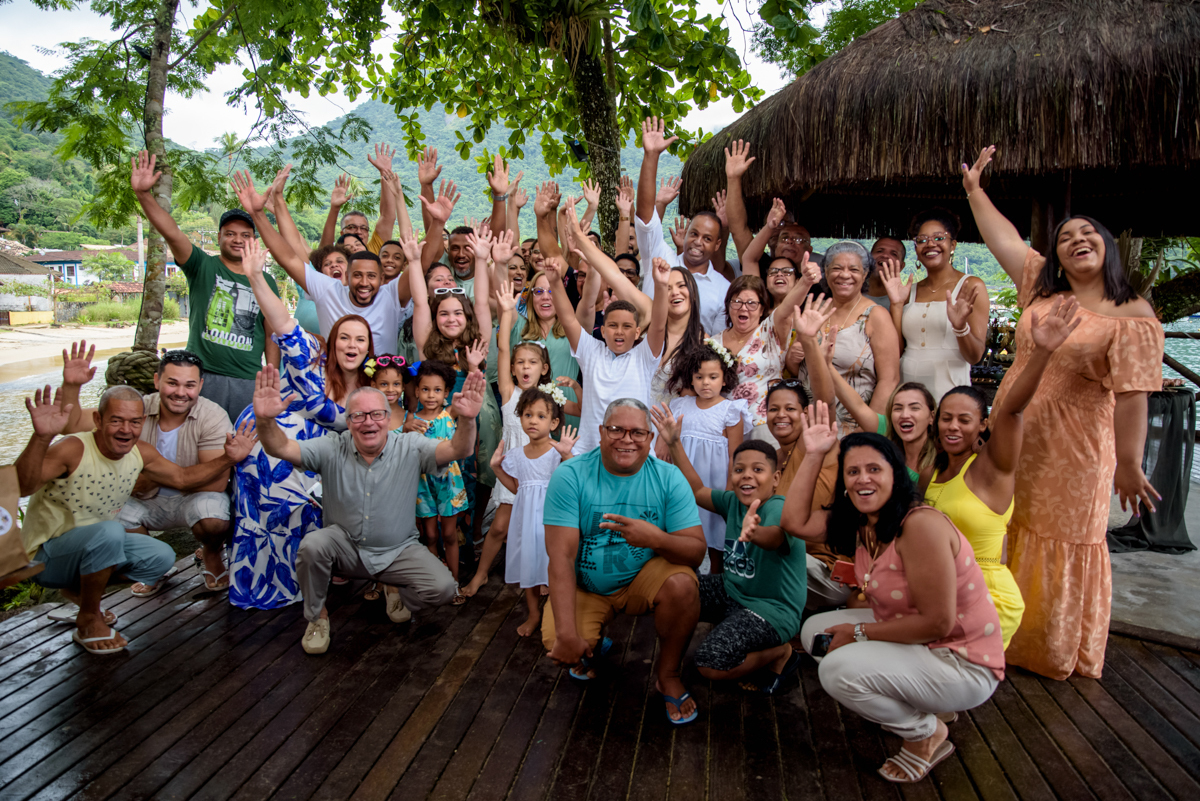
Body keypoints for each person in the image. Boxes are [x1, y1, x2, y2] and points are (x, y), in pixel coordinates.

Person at [963, 145, 1164, 679]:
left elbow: (1132, 396)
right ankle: (995, 631)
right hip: (1012, 432)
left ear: (1108, 247)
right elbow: (1001, 236)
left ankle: (1046, 648)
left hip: (1075, 450)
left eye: (1088, 234)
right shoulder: (1039, 288)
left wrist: (1129, 462)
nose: (1076, 240)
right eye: (1066, 237)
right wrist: (974, 191)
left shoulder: (1132, 315)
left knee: (1061, 536)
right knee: (1006, 523)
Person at [786, 403, 1004, 785]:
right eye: (853, 471)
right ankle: (920, 703)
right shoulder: (861, 521)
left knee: (837, 671)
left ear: (895, 476)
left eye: (874, 469)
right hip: (922, 641)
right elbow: (794, 522)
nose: (861, 479)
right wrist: (816, 454)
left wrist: (857, 634)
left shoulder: (919, 525)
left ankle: (926, 734)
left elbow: (938, 622)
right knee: (815, 632)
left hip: (962, 661)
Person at [252, 368, 485, 654]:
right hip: (345, 550)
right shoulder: (331, 447)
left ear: (388, 418)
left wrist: (468, 419)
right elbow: (280, 446)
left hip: (398, 550)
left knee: (444, 589)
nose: (368, 422)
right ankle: (317, 617)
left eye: (376, 414)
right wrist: (264, 418)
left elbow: (457, 450)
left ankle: (394, 587)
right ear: (348, 422)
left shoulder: (410, 446)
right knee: (313, 545)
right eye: (358, 416)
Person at [17, 384, 255, 653]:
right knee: (110, 532)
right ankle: (89, 618)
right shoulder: (72, 449)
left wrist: (228, 458)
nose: (125, 430)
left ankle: (77, 590)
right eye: (116, 421)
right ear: (98, 420)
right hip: (44, 556)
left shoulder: (139, 453)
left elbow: (182, 478)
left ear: (142, 422)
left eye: (133, 422)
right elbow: (24, 487)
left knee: (160, 558)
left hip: (90, 548)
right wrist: (40, 437)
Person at [927, 297, 1084, 649]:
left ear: (982, 424)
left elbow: (1012, 410)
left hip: (986, 595)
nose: (953, 426)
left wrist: (1042, 353)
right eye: (946, 417)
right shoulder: (932, 472)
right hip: (941, 593)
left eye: (964, 420)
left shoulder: (991, 467)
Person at [227, 239, 375, 610]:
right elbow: (281, 321)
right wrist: (257, 278)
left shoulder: (369, 390)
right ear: (332, 341)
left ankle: (307, 586)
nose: (351, 345)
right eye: (345, 337)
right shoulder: (311, 355)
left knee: (312, 512)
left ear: (369, 348)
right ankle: (257, 588)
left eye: (360, 339)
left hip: (313, 461)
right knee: (266, 518)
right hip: (267, 442)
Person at [542, 398, 705, 724]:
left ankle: (668, 674)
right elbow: (560, 557)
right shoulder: (571, 475)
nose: (626, 439)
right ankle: (593, 644)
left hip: (643, 575)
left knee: (684, 585)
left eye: (637, 433)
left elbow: (696, 552)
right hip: (586, 585)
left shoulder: (669, 478)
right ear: (601, 432)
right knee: (560, 642)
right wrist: (567, 633)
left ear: (649, 437)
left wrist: (655, 539)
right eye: (616, 429)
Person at [655, 409, 806, 694]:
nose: (746, 476)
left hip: (772, 611)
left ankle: (780, 653)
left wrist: (754, 532)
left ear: (775, 478)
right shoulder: (733, 502)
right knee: (674, 593)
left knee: (710, 663)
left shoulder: (779, 508)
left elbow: (774, 537)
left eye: (757, 470)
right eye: (739, 470)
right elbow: (698, 490)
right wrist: (674, 443)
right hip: (732, 591)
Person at [130, 151, 280, 422]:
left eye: (245, 235)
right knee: (198, 443)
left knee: (243, 448)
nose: (237, 240)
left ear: (254, 240)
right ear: (219, 237)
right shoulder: (202, 265)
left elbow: (271, 333)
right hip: (200, 376)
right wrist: (144, 195)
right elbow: (172, 231)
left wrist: (270, 376)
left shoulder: (265, 280)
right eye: (230, 234)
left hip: (246, 379)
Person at [232, 171, 410, 356]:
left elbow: (415, 259)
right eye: (328, 263)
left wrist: (398, 195)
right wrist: (258, 214)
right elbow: (290, 255)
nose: (334, 266)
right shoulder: (326, 290)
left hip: (378, 383)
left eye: (340, 261)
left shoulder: (389, 294)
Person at [462, 284, 554, 598]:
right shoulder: (509, 395)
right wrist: (506, 312)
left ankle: (544, 575)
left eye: (532, 363)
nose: (525, 367)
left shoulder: (550, 398)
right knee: (499, 528)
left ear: (543, 369)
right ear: (512, 369)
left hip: (541, 474)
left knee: (542, 529)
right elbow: (502, 349)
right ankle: (481, 575)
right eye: (520, 363)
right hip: (512, 470)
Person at [545, 252, 668, 454]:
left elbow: (659, 326)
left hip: (634, 452)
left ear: (638, 332)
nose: (619, 331)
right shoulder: (590, 351)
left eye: (627, 326)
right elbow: (568, 319)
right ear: (602, 330)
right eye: (612, 325)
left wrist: (662, 287)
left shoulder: (644, 357)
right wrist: (555, 282)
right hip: (590, 451)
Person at [490, 387, 579, 636]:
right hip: (526, 522)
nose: (533, 421)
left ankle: (558, 614)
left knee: (556, 565)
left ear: (554, 423)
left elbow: (576, 480)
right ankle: (534, 614)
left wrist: (568, 455)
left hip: (553, 521)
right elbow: (519, 489)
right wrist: (497, 469)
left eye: (541, 416)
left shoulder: (556, 452)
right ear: (520, 418)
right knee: (529, 565)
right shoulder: (517, 455)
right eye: (528, 415)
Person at [881, 209, 989, 404]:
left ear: (952, 244)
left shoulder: (971, 286)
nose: (930, 244)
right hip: (907, 386)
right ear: (915, 248)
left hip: (949, 388)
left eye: (939, 238)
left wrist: (960, 327)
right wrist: (896, 305)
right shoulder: (908, 291)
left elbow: (974, 356)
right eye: (922, 240)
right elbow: (895, 352)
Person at [634, 117, 730, 335]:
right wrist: (651, 156)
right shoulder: (660, 258)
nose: (697, 241)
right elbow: (645, 218)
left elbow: (716, 345)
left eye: (707, 238)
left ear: (717, 245)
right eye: (694, 233)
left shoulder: (723, 289)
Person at [664, 340, 748, 571]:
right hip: (684, 482)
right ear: (691, 378)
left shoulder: (731, 410)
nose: (705, 383)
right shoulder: (681, 405)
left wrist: (730, 493)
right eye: (699, 377)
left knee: (716, 538)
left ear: (724, 378)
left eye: (712, 377)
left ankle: (718, 581)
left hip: (717, 484)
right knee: (685, 533)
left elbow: (736, 456)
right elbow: (671, 444)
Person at [721, 258, 819, 445]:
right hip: (724, 429)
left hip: (765, 425)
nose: (744, 308)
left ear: (762, 309)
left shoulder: (771, 330)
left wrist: (805, 281)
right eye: (737, 302)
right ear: (728, 305)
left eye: (751, 303)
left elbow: (787, 307)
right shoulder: (712, 342)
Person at [818, 242, 900, 433]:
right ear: (826, 271)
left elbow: (890, 379)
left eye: (854, 269)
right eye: (837, 268)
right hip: (812, 423)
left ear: (865, 274)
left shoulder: (876, 315)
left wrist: (868, 428)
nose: (845, 275)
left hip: (854, 426)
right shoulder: (816, 309)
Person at [409, 359, 471, 597]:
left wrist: (474, 366)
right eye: (425, 389)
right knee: (430, 535)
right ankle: (436, 584)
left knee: (448, 534)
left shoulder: (450, 413)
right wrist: (406, 429)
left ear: (446, 392)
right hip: (422, 483)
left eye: (437, 390)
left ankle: (454, 584)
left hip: (449, 482)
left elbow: (469, 401)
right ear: (416, 390)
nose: (431, 395)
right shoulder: (411, 420)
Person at [723, 140, 817, 268]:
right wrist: (733, 178)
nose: (776, 227)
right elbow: (738, 229)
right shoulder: (757, 263)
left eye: (782, 223)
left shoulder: (813, 280)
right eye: (771, 223)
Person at [865, 237, 907, 308]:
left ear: (901, 266)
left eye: (894, 254)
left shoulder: (905, 300)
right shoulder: (852, 292)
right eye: (879, 251)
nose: (885, 255)